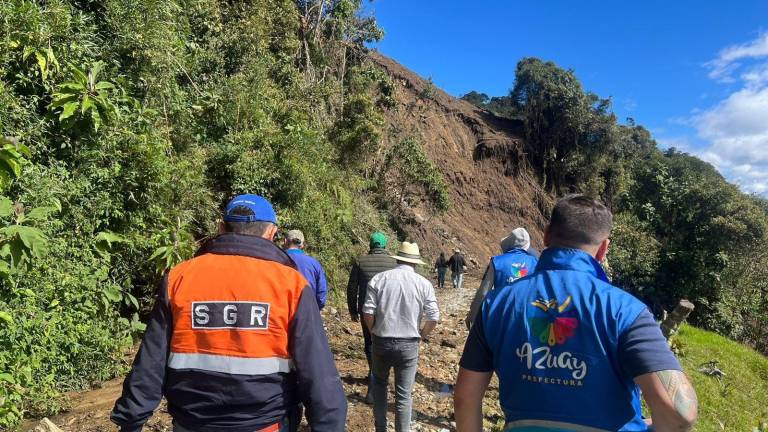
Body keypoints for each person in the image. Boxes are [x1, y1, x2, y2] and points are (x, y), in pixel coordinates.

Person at [455, 195, 697, 432]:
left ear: (547, 234)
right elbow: (680, 412)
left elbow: (466, 398)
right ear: (603, 249)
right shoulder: (626, 311)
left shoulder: (497, 304)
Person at [111, 194, 347, 432]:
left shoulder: (178, 278)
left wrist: (131, 420)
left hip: (191, 424)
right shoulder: (291, 285)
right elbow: (318, 371)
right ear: (272, 234)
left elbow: (151, 360)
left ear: (221, 228)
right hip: (266, 424)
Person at [362, 241, 440, 432]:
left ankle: (380, 428)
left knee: (379, 386)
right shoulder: (424, 284)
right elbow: (434, 316)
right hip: (409, 344)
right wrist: (422, 335)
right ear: (415, 262)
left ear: (398, 259)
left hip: (381, 340)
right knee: (404, 395)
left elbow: (368, 312)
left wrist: (374, 333)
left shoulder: (379, 279)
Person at [346, 231, 397, 402]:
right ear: (384, 245)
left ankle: (374, 373)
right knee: (385, 341)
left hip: (366, 310)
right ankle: (379, 374)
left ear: (370, 244)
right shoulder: (393, 263)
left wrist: (353, 310)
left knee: (369, 342)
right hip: (388, 311)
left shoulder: (361, 261)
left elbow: (352, 288)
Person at [465, 228, 539, 329]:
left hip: (502, 316)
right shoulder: (536, 263)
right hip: (528, 317)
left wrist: (473, 314)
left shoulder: (497, 262)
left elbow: (483, 292)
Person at [284, 229, 328, 310]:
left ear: (285, 241)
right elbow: (322, 292)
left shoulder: (276, 259)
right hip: (307, 310)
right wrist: (314, 309)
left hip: (282, 311)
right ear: (302, 245)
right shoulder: (314, 263)